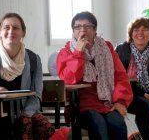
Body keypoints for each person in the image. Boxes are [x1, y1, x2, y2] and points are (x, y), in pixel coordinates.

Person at [0, 13, 54, 139]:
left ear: (23, 33)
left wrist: (25, 115)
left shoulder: (34, 59)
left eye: (16, 28)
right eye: (6, 27)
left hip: (22, 114)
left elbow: (37, 96)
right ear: (0, 31)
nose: (11, 31)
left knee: (44, 129)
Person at [56, 11, 133, 140]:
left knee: (117, 123)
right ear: (73, 32)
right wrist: (78, 53)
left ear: (95, 30)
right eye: (78, 27)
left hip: (108, 103)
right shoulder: (66, 52)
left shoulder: (106, 48)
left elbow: (120, 77)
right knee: (99, 123)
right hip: (81, 106)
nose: (82, 30)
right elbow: (69, 80)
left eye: (87, 26)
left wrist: (120, 101)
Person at [115, 17, 149, 140]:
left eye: (145, 30)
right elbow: (119, 79)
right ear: (131, 34)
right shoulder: (121, 49)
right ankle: (145, 137)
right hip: (130, 92)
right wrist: (146, 96)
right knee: (145, 106)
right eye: (136, 29)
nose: (140, 33)